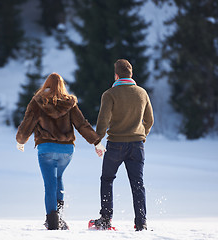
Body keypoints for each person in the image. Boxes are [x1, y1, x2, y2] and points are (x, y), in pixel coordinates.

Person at [16, 73, 101, 230]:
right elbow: (82, 124)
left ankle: (53, 223)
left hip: (46, 149)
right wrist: (96, 141)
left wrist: (21, 140)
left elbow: (27, 123)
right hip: (66, 150)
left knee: (50, 184)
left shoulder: (37, 101)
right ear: (62, 86)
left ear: (46, 84)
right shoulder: (70, 103)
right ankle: (59, 219)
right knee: (58, 177)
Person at [93, 59, 154, 231]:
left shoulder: (110, 94)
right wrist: (142, 135)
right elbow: (150, 120)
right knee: (137, 183)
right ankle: (141, 222)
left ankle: (106, 219)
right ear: (131, 74)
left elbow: (103, 121)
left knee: (107, 179)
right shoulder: (142, 93)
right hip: (137, 146)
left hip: (115, 145)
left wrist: (98, 141)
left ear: (116, 75)